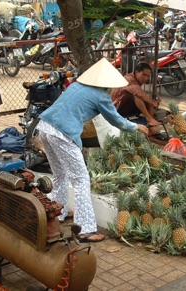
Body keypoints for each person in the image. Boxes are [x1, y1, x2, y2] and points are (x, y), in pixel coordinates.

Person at [36, 58, 149, 242]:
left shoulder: (76, 85)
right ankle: (85, 230)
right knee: (81, 179)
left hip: (45, 127)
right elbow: (116, 120)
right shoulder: (101, 96)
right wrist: (137, 127)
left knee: (60, 174)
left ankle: (59, 213)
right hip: (63, 134)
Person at [110, 63, 162, 137]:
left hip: (126, 106)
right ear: (137, 72)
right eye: (144, 75)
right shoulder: (128, 79)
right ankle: (149, 119)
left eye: (148, 76)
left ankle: (151, 128)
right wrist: (152, 102)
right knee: (138, 95)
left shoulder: (136, 79)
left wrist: (151, 102)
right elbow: (138, 93)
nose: (146, 78)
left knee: (149, 101)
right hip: (116, 107)